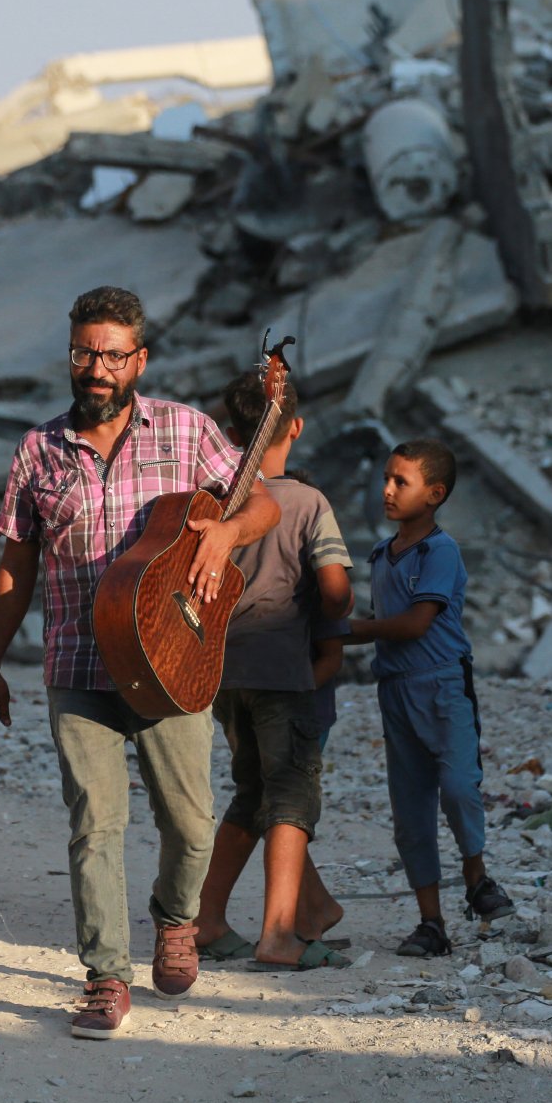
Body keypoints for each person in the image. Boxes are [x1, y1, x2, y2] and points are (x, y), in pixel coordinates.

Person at [0, 286, 280, 1040]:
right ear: (70, 354)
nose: (96, 368)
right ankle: (105, 975)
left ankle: (175, 919)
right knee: (94, 825)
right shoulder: (37, 451)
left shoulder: (185, 429)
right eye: (84, 352)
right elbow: (16, 567)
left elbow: (262, 502)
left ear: (138, 359)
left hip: (173, 658)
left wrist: (222, 535)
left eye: (112, 354)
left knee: (192, 822)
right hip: (78, 660)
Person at [195, 372, 354, 969]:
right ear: (298, 426)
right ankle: (279, 935)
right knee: (291, 799)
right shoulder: (308, 502)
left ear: (232, 435)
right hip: (285, 671)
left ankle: (207, 920)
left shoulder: (219, 503)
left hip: (223, 672)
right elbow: (335, 591)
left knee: (250, 795)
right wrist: (336, 609)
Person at [346, 438, 513, 957]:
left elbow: (418, 622)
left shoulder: (440, 551)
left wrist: (351, 630)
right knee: (411, 809)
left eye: (402, 482)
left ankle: (477, 875)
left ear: (435, 494)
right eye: (387, 479)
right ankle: (431, 923)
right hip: (395, 689)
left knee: (460, 786)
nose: (388, 490)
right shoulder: (381, 554)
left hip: (441, 684)